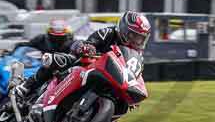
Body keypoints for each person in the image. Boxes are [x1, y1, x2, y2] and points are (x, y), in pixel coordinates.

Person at [13, 10, 151, 103]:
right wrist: (88, 47)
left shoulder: (136, 55)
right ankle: (27, 86)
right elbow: (90, 42)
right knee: (57, 59)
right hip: (87, 63)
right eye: (134, 36)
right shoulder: (108, 33)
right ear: (124, 29)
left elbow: (134, 73)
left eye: (140, 38)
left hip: (110, 76)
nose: (136, 41)